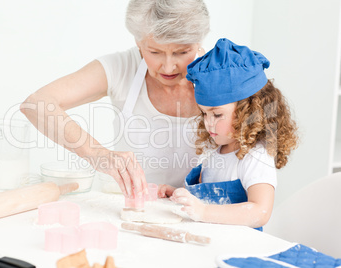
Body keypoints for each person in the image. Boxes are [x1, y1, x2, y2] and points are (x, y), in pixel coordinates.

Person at [20, 0, 210, 198]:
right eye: (155, 52)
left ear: (199, 42)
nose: (169, 67)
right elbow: (36, 104)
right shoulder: (122, 67)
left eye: (182, 52)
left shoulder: (223, 73)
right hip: (127, 207)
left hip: (199, 211)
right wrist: (98, 154)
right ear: (138, 42)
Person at [158, 38, 299, 230]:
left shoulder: (255, 156)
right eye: (204, 113)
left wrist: (203, 212)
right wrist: (182, 197)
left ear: (248, 111)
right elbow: (209, 199)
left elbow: (261, 212)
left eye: (216, 114)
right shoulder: (217, 151)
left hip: (240, 249)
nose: (208, 123)